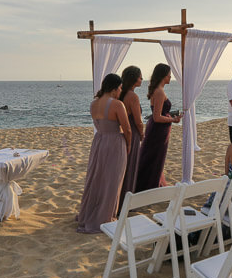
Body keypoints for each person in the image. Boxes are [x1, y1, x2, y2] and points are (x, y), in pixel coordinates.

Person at [76, 73, 132, 234]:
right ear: (114, 88)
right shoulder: (117, 104)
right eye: (120, 88)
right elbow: (127, 129)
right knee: (112, 180)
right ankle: (107, 216)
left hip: (99, 142)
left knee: (97, 178)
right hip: (114, 142)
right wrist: (128, 145)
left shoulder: (94, 104)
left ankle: (91, 212)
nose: (121, 91)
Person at [135, 63, 182, 192]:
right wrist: (173, 119)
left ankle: (153, 184)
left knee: (154, 156)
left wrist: (172, 119)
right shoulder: (160, 92)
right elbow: (157, 117)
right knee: (154, 157)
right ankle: (148, 186)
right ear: (163, 76)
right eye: (169, 75)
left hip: (160, 129)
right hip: (158, 130)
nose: (170, 77)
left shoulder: (157, 89)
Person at [117, 65, 144, 212]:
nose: (142, 79)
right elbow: (138, 121)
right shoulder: (133, 96)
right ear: (134, 79)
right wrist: (142, 134)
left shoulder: (121, 93)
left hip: (121, 134)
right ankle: (126, 202)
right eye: (140, 77)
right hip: (132, 133)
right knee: (131, 167)